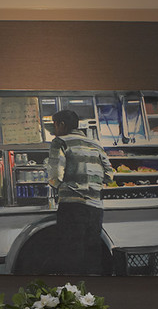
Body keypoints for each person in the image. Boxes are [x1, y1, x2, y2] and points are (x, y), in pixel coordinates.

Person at [47, 108, 113, 275]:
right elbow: (110, 175)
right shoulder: (96, 144)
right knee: (92, 255)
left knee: (71, 256)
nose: (55, 130)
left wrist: (58, 186)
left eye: (55, 125)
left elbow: (55, 176)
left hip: (72, 207)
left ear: (62, 124)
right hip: (95, 207)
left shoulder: (60, 142)